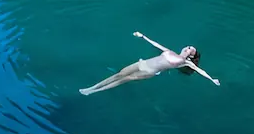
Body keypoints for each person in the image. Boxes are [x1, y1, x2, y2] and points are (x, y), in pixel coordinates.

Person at [79, 31, 220, 95]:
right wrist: (143, 36)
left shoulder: (185, 63)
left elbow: (201, 71)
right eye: (189, 47)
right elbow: (157, 45)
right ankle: (93, 87)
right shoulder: (170, 52)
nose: (187, 48)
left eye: (190, 50)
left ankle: (96, 91)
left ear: (190, 56)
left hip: (149, 71)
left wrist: (212, 79)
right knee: (119, 74)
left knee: (125, 79)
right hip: (144, 63)